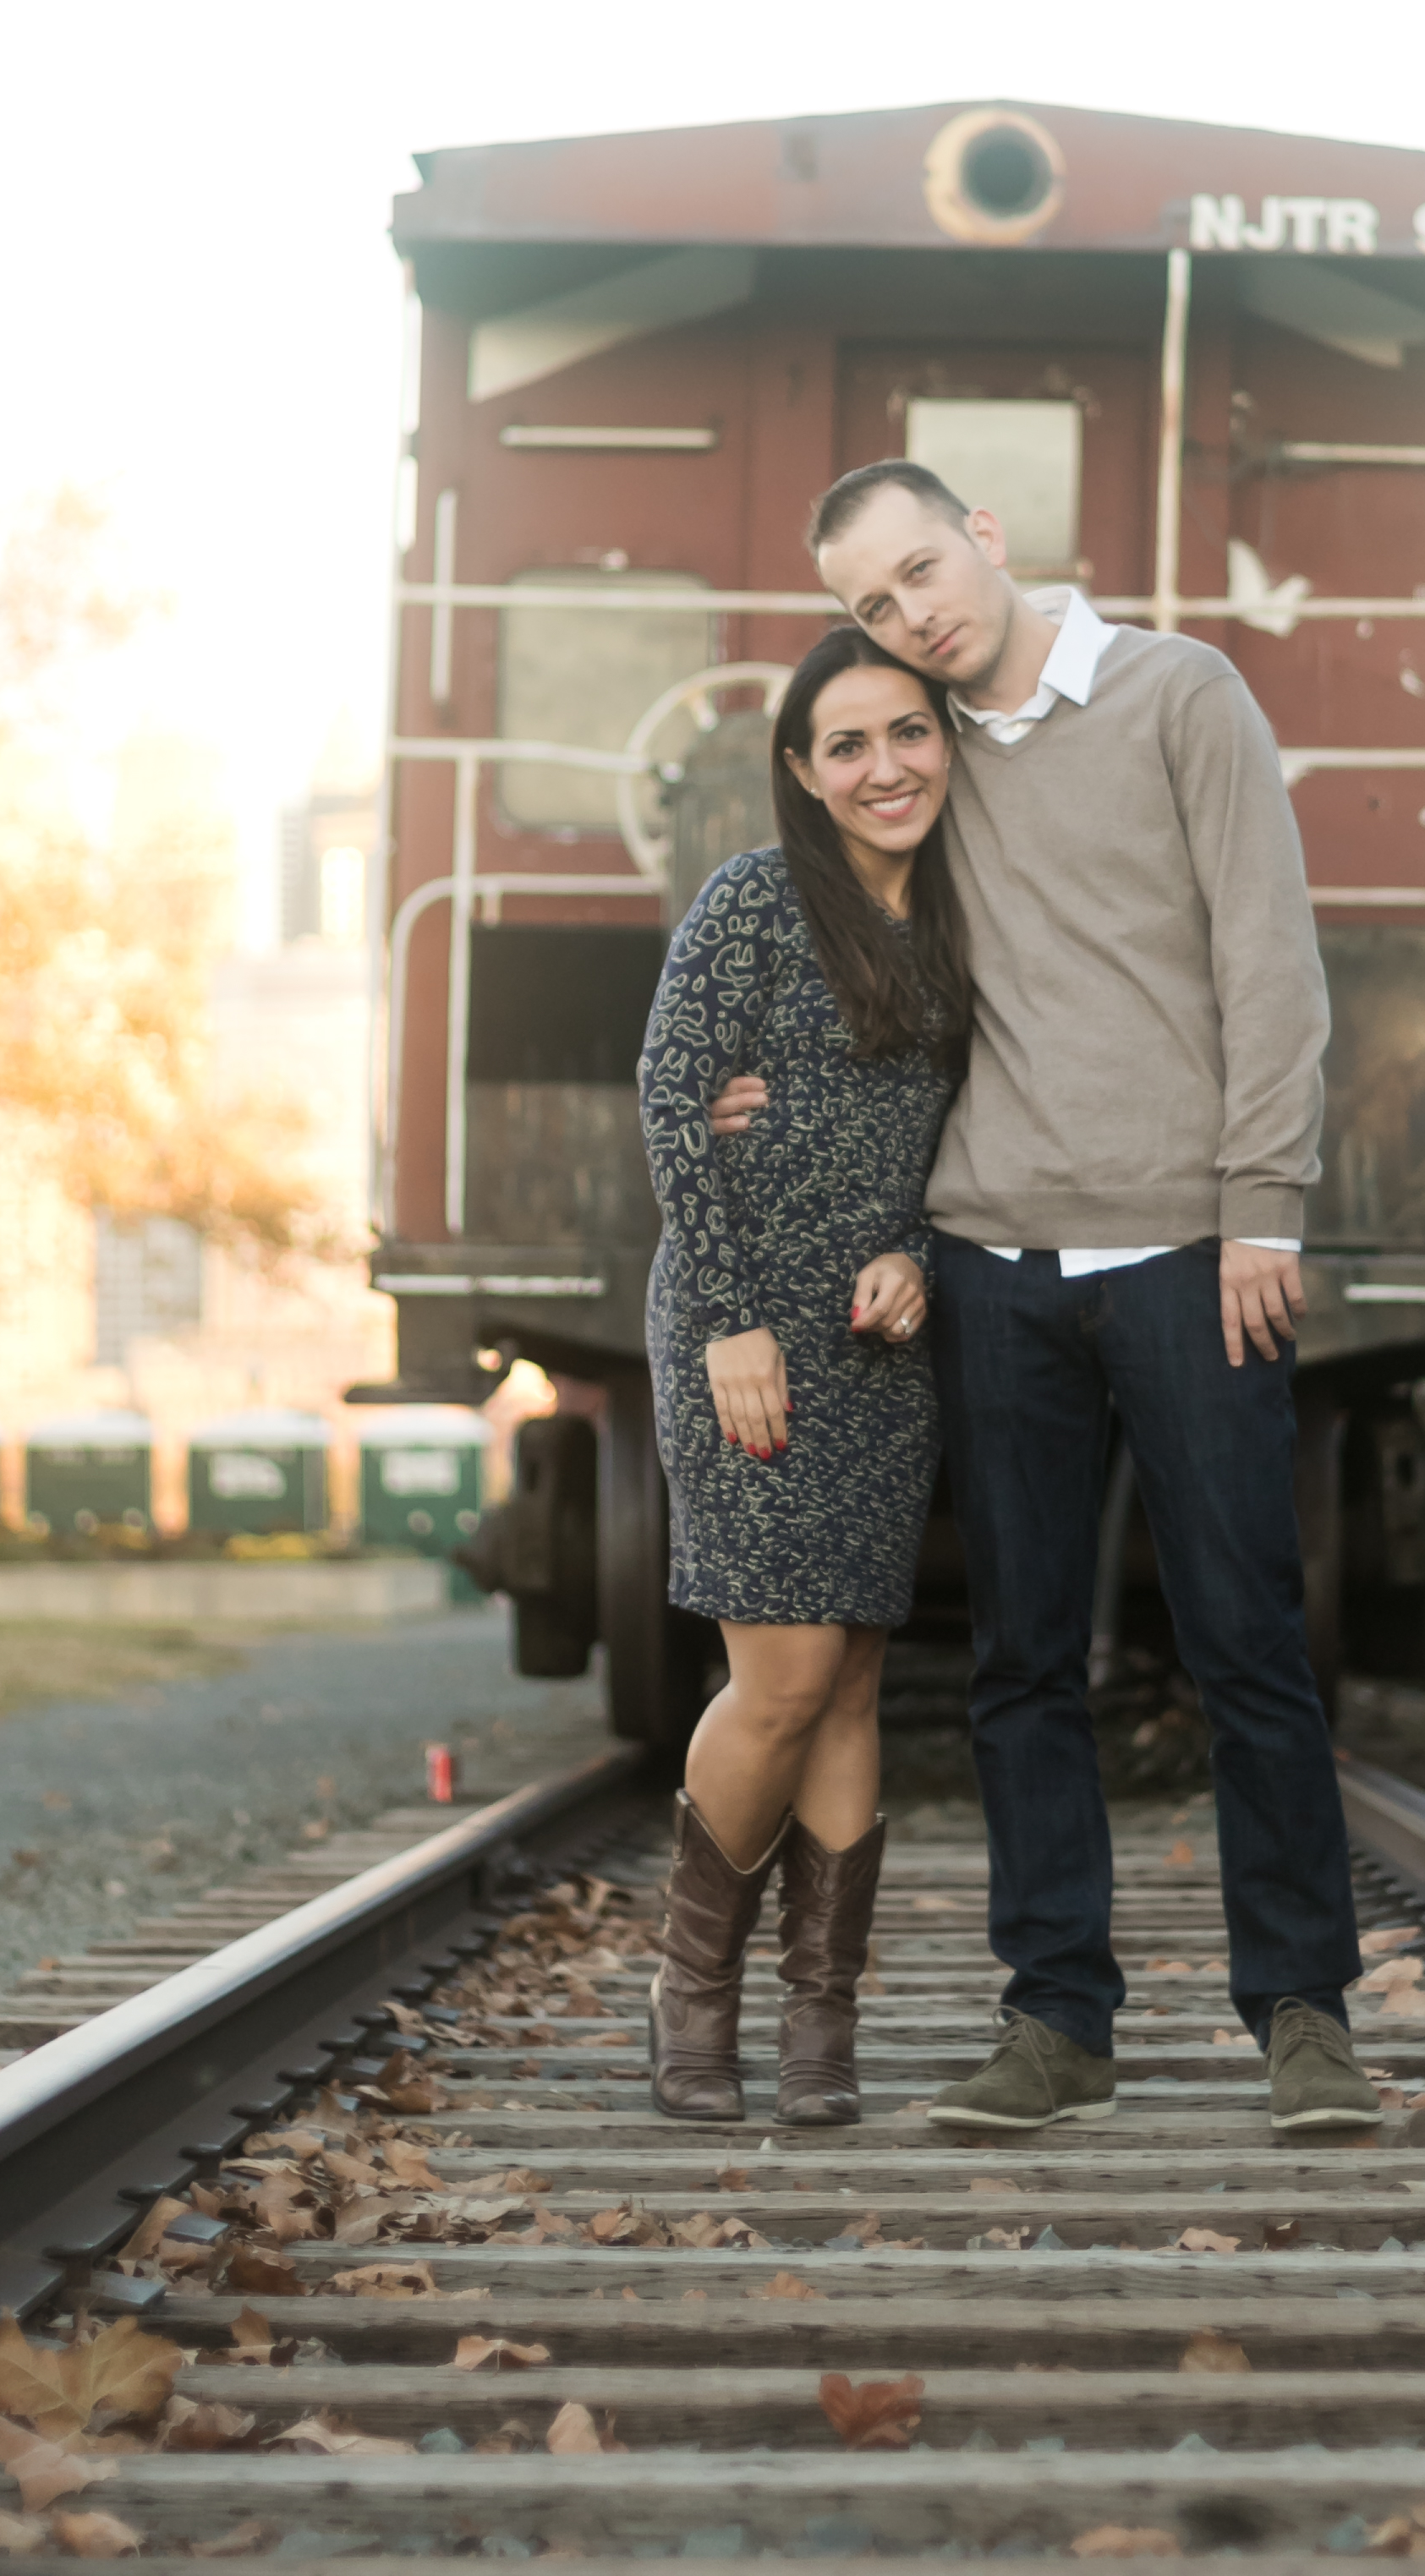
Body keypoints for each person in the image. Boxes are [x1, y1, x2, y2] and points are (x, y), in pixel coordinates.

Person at [710, 458, 1376, 2140]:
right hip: (990, 1264)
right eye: (873, 606)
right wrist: (741, 1088)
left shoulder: (1181, 694)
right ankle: (1057, 2020)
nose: (912, 617)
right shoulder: (919, 756)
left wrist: (1264, 1207)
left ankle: (1304, 2016)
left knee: (1245, 1643)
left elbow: (1269, 958)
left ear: (986, 540)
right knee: (1019, 1663)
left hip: (1186, 1253)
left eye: (923, 573)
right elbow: (834, 923)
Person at [636, 625, 969, 2126]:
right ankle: (691, 1991)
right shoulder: (758, 901)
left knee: (852, 1681)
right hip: (746, 1329)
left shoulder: (969, 917)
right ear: (803, 770)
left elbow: (988, 1142)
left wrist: (924, 1256)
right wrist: (729, 1318)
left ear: (946, 745)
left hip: (880, 1344)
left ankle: (820, 2023)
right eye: (848, 744)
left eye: (908, 732)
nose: (883, 766)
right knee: (780, 1678)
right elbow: (670, 1094)